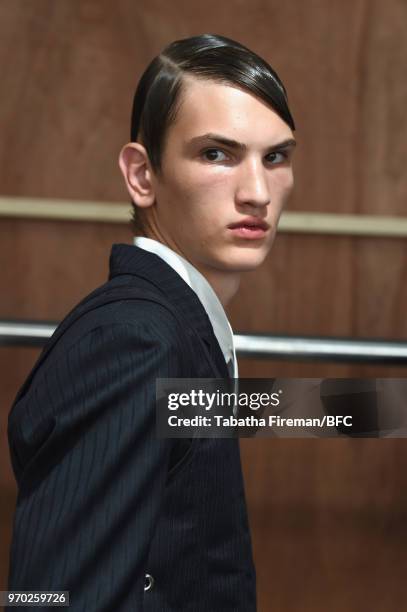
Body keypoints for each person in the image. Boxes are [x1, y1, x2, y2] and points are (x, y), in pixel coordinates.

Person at [7, 33, 296, 611]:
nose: (258, 192)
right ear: (142, 175)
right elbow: (53, 599)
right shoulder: (137, 340)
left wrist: (378, 408)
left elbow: (199, 412)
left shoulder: (175, 324)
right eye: (217, 154)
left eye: (276, 157)